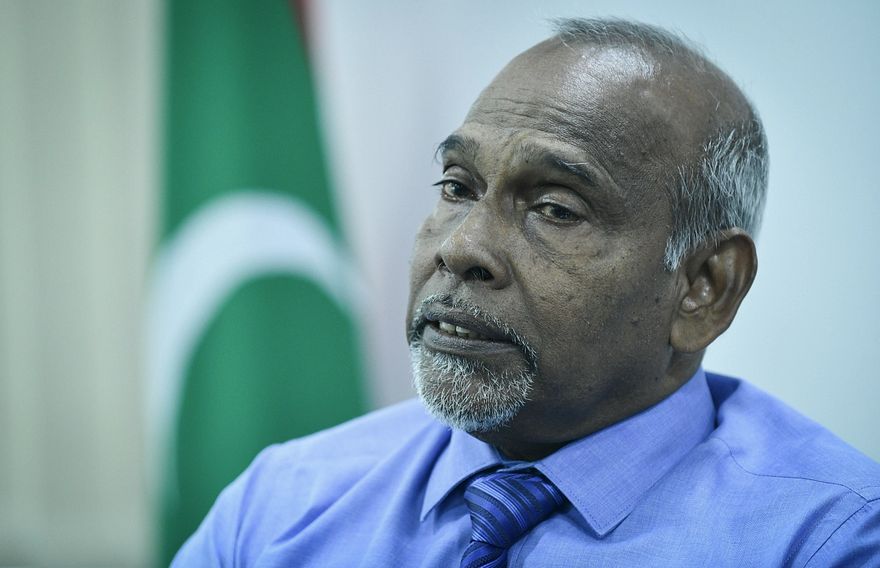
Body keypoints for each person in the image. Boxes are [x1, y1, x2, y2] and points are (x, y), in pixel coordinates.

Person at [173, 18, 880, 567]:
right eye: (457, 188)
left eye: (555, 208)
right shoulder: (281, 506)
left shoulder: (829, 540)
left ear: (705, 288)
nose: (460, 248)